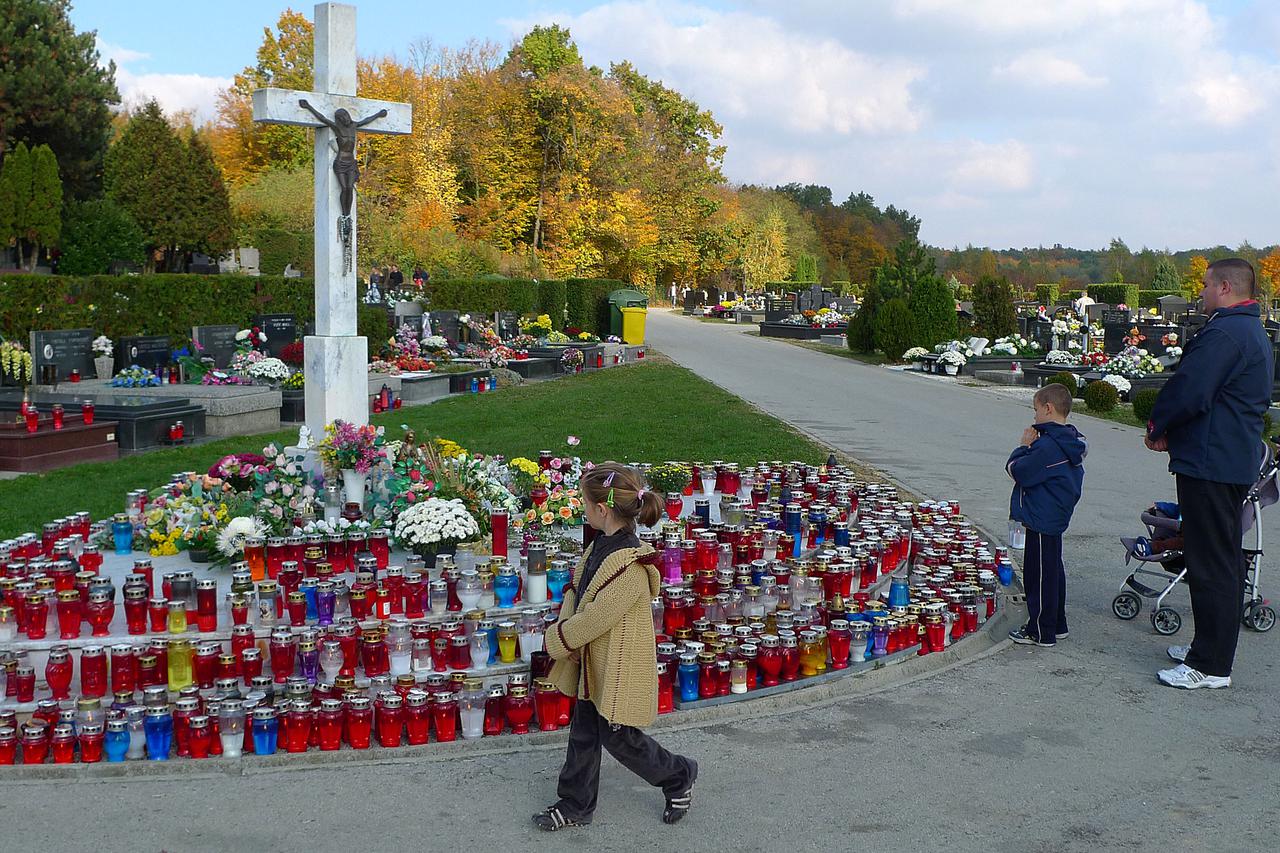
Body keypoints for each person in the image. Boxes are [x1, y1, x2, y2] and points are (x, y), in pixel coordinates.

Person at [536, 462, 697, 832]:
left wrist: (559, 639)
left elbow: (597, 616)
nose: (582, 508)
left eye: (584, 502)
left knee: (621, 739)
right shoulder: (600, 547)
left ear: (602, 509)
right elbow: (578, 593)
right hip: (592, 661)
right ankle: (575, 802)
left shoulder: (630, 566)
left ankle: (679, 775)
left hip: (616, 665)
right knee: (584, 734)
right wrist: (568, 629)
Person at [1145, 258, 1272, 689]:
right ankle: (1210, 645)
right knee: (1218, 558)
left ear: (1223, 286)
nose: (1199, 293)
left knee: (1212, 562)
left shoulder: (1226, 332)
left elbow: (1191, 390)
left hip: (1213, 461)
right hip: (1222, 457)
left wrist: (1158, 426)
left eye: (1203, 285)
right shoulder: (1245, 329)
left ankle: (1212, 665)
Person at [1005, 383, 1087, 647]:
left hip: (1042, 515)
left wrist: (1023, 447)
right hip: (1054, 513)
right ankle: (1057, 622)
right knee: (1052, 570)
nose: (1034, 417)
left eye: (1036, 410)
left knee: (1038, 575)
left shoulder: (1047, 446)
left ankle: (1040, 631)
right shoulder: (1069, 440)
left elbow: (1019, 471)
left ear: (1048, 408)